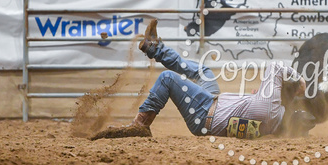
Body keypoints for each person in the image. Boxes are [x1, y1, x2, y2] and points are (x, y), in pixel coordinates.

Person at [92, 20, 307, 140]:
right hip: (212, 108)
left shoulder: (270, 105)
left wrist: (299, 83)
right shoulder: (274, 116)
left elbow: (276, 67)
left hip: (205, 113)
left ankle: (140, 125)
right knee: (204, 71)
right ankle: (155, 49)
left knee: (167, 78)